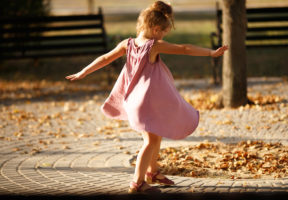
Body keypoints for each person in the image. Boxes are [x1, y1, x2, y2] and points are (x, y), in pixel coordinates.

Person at [65, 1, 228, 194]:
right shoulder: (153, 46)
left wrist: (83, 72)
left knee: (155, 137)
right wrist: (211, 52)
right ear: (155, 29)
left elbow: (105, 58)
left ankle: (152, 172)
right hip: (146, 103)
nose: (164, 37)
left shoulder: (127, 44)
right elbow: (184, 48)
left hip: (133, 101)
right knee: (150, 142)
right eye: (163, 33)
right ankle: (137, 182)